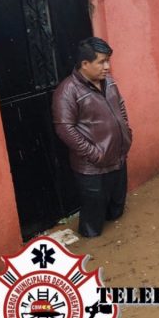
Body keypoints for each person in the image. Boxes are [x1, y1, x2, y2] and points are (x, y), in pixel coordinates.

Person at [52, 37, 133, 238]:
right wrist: (94, 154)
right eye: (101, 62)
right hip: (92, 168)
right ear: (85, 64)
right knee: (93, 223)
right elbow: (65, 129)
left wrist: (127, 133)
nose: (107, 66)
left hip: (119, 158)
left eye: (108, 61)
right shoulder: (67, 91)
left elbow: (120, 107)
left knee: (116, 211)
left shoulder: (110, 82)